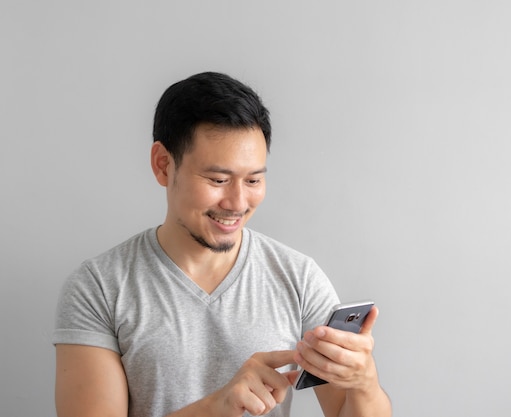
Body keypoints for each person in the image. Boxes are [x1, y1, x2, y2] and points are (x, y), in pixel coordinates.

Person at [53, 71, 392, 417]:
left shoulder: (298, 277)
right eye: (218, 179)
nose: (237, 202)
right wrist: (217, 406)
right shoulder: (98, 287)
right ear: (163, 165)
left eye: (253, 180)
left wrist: (364, 383)